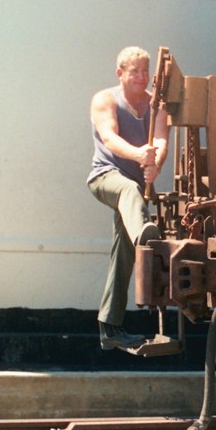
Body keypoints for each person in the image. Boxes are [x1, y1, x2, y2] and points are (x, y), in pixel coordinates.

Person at [87, 46, 169, 350]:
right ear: (120, 73)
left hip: (134, 192)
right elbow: (109, 137)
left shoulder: (156, 106)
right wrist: (139, 155)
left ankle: (110, 328)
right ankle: (145, 239)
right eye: (135, 71)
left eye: (146, 71)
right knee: (129, 191)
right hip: (106, 179)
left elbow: (160, 140)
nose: (142, 77)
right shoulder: (104, 100)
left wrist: (155, 164)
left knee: (122, 253)